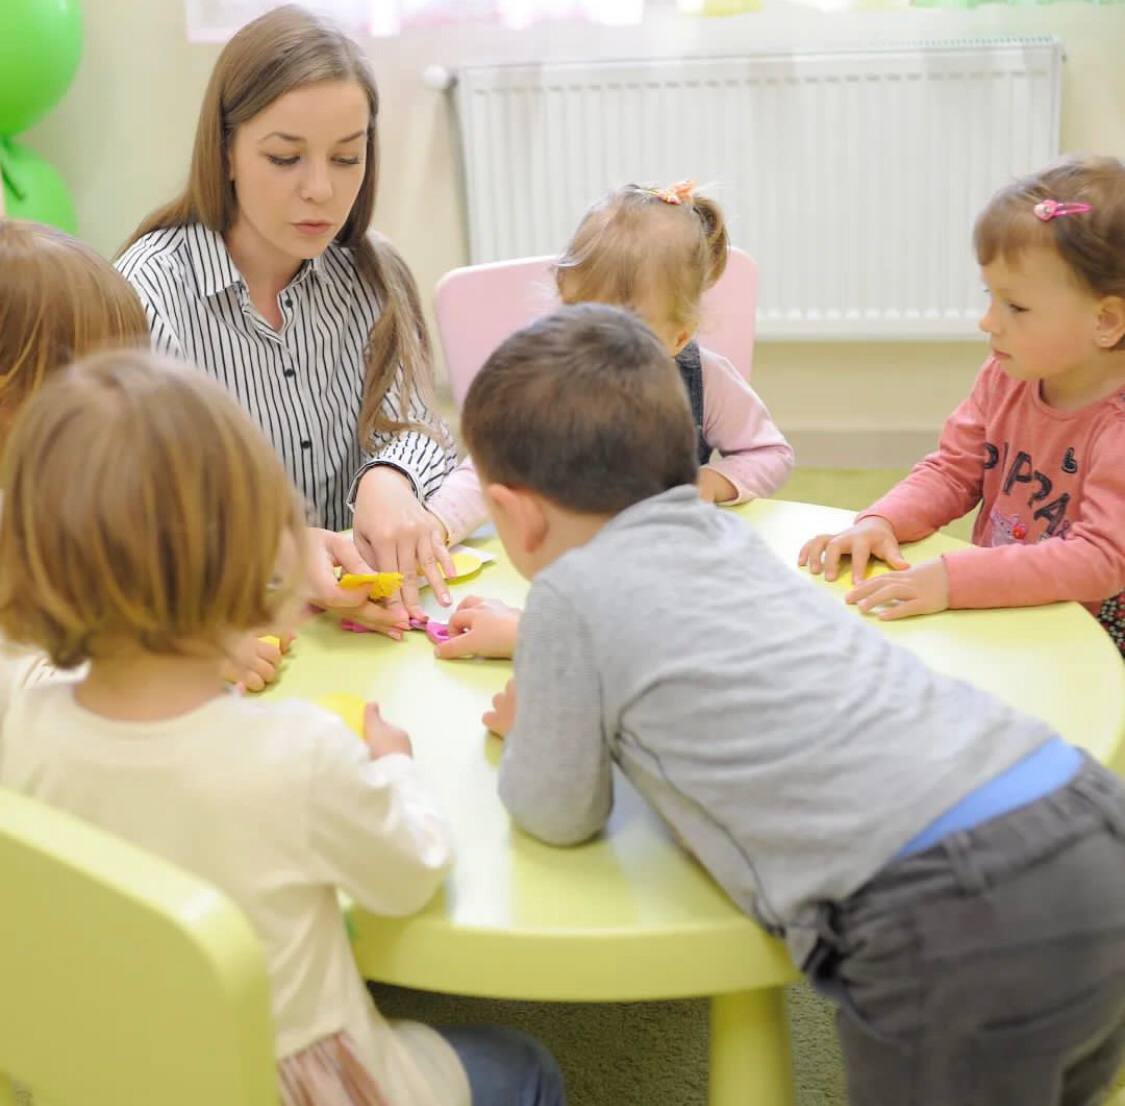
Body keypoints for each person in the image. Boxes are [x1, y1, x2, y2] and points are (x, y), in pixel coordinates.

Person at [455, 303, 1125, 1106]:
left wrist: (541, 720)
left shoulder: (568, 591)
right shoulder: (732, 541)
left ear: (516, 516)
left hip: (948, 916)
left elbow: (555, 810)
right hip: (1077, 809)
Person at [0, 351, 566, 1106]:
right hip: (284, 1089)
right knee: (524, 1066)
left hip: (113, 1077)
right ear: (246, 557)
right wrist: (393, 767)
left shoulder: (24, 729)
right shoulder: (298, 754)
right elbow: (409, 873)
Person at [116, 4, 461, 630]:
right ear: (225, 152)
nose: (321, 191)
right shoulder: (150, 295)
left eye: (347, 157)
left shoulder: (372, 273)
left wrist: (388, 475)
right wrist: (272, 550)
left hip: (359, 627)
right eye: (284, 158)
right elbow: (132, 511)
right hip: (221, 632)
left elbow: (423, 427)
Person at [798, 155, 1125, 657]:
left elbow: (1100, 560)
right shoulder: (1006, 375)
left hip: (1095, 646)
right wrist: (881, 521)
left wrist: (954, 580)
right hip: (1013, 607)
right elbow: (954, 470)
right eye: (989, 296)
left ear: (1106, 321)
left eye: (1015, 306)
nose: (988, 322)